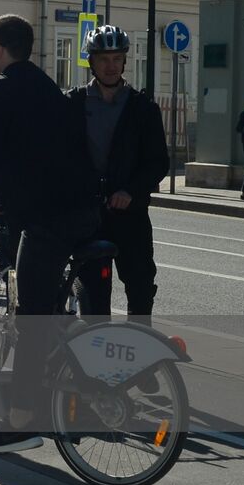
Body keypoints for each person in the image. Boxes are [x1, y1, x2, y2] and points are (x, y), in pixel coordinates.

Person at [0, 14, 99, 454]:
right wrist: (1, 192)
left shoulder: (0, 88)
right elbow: (32, 152)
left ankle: (22, 422)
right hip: (79, 212)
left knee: (30, 318)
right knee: (44, 312)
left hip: (50, 220)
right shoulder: (48, 88)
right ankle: (57, 397)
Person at [68, 26, 169, 321]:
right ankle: (93, 355)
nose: (110, 66)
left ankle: (139, 351)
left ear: (125, 61)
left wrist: (131, 191)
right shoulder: (73, 103)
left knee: (139, 287)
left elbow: (157, 162)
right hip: (89, 215)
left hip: (130, 214)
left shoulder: (142, 107)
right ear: (91, 62)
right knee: (92, 292)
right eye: (103, 59)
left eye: (116, 59)